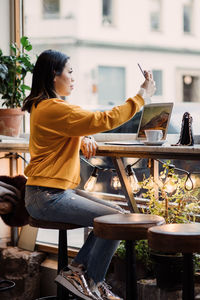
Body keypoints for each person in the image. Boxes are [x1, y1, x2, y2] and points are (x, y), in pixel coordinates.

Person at [22, 49, 156, 300]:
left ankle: (83, 274)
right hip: (46, 197)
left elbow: (67, 128)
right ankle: (89, 279)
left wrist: (81, 135)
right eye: (70, 72)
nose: (74, 79)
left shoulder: (45, 107)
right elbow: (103, 118)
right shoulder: (53, 107)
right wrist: (141, 97)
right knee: (115, 220)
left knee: (120, 216)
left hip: (48, 194)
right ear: (54, 75)